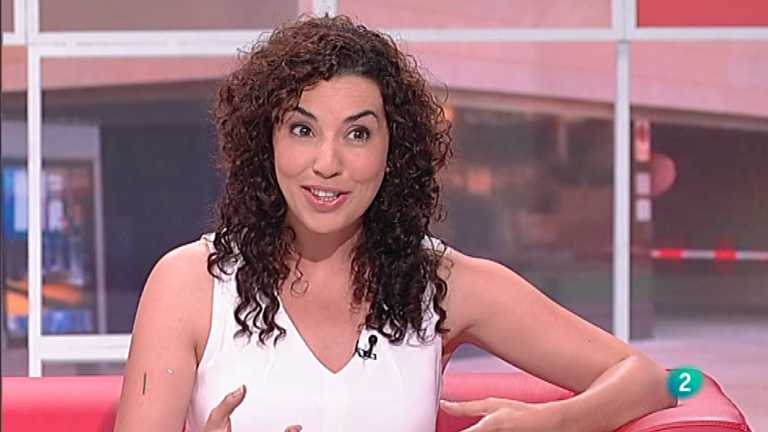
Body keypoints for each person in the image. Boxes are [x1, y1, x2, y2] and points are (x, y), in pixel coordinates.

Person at [113, 15, 676, 432]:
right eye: (303, 130)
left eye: (357, 133)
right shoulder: (190, 283)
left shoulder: (443, 283)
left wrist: (553, 423)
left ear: (393, 151)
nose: (327, 162)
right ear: (268, 142)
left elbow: (649, 378)